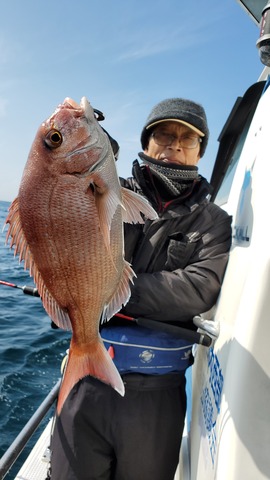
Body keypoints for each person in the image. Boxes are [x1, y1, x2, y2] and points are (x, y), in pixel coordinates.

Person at [50, 98, 232, 480]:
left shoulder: (213, 221)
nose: (175, 144)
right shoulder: (108, 191)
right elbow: (62, 202)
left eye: (189, 138)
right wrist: (88, 142)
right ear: (147, 142)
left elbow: (199, 287)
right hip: (87, 382)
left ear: (201, 150)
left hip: (157, 394)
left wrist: (111, 291)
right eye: (164, 133)